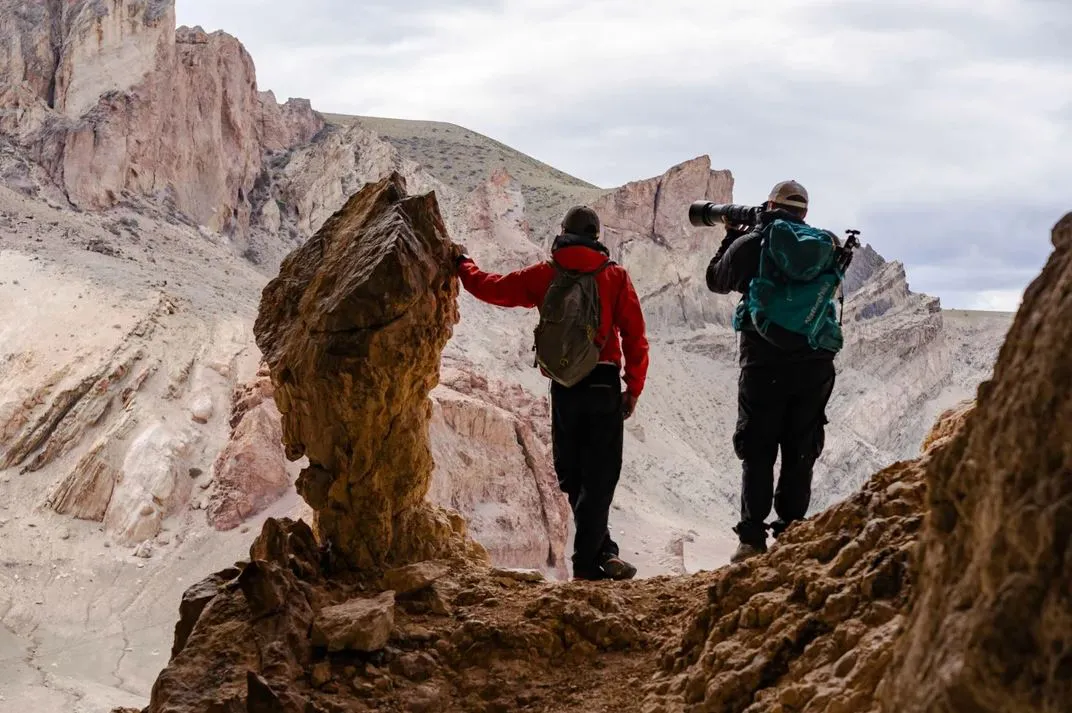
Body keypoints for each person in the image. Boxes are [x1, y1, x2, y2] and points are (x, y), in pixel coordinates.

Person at [453, 205, 649, 581]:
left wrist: (464, 264)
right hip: (604, 383)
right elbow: (636, 337)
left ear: (564, 232)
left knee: (572, 474)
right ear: (596, 237)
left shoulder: (546, 273)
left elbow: (491, 288)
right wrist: (633, 388)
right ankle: (588, 563)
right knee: (600, 475)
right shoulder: (615, 277)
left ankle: (602, 552)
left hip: (565, 386)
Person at [705, 180, 838, 563]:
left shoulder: (753, 244)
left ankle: (751, 539)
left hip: (763, 360)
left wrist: (731, 236)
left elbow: (716, 280)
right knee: (801, 448)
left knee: (758, 448)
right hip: (814, 360)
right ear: (804, 212)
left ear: (769, 205)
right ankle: (792, 534)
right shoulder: (824, 246)